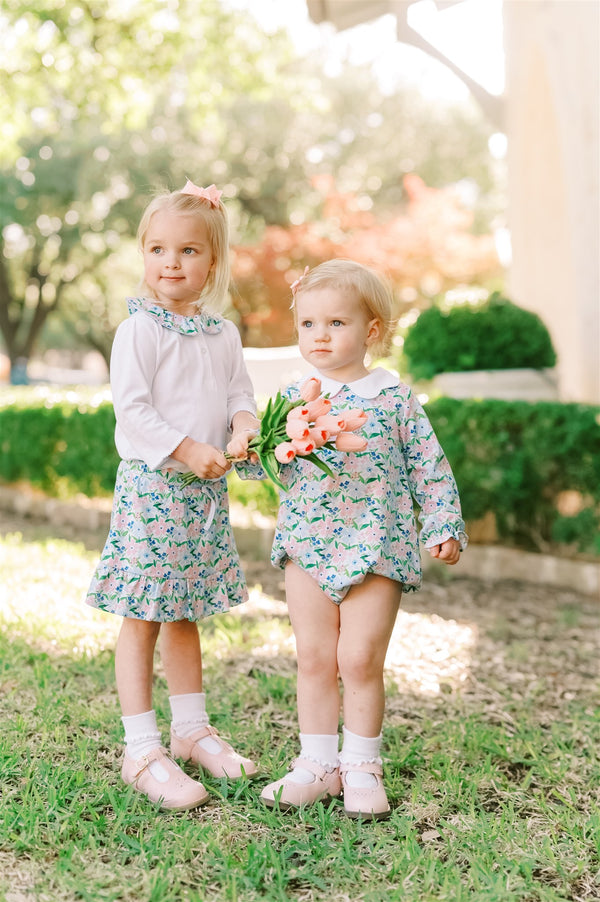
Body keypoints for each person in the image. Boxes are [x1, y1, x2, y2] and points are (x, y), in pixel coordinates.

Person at [259, 259, 467, 819]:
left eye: (336, 324)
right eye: (308, 325)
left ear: (371, 330)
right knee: (313, 657)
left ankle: (360, 765)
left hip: (378, 544)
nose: (319, 336)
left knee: (358, 658)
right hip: (308, 545)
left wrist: (443, 522)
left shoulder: (394, 399)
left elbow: (429, 465)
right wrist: (260, 448)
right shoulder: (292, 394)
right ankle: (318, 764)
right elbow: (263, 463)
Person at [86, 180, 260, 811]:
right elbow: (131, 410)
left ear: (211, 262)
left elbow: (239, 394)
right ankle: (141, 749)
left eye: (188, 251)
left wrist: (243, 426)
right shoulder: (139, 332)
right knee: (145, 613)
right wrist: (188, 448)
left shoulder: (222, 334)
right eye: (157, 249)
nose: (171, 263)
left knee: (186, 610)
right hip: (155, 489)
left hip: (203, 498)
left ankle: (191, 731)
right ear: (143, 255)